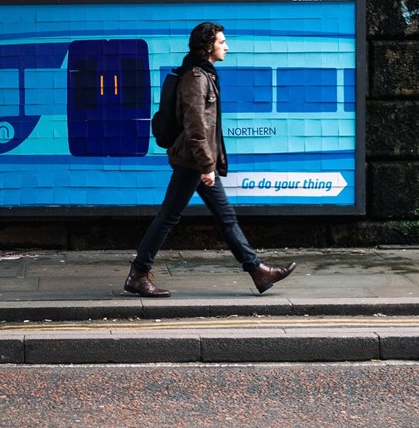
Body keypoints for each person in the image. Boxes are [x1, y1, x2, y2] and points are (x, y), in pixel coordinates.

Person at [124, 22, 296, 298]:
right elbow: (195, 128)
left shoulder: (204, 74)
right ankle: (138, 274)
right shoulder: (196, 78)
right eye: (221, 42)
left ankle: (258, 271)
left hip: (199, 162)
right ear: (207, 46)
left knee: (225, 217)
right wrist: (206, 167)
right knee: (168, 217)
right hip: (193, 162)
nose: (226, 46)